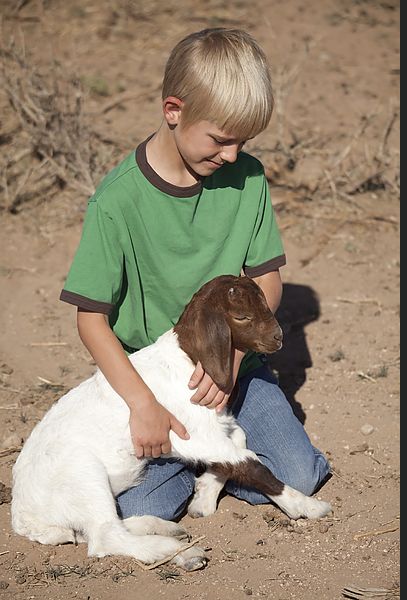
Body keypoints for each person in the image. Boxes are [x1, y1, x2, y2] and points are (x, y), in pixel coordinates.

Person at [60, 28, 330, 521]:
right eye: (221, 139)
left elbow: (267, 281)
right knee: (140, 506)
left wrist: (228, 358)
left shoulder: (247, 178)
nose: (231, 154)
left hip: (233, 376)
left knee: (300, 473)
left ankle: (215, 461)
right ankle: (214, 457)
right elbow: (91, 319)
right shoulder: (117, 201)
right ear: (173, 111)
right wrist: (142, 404)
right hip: (159, 383)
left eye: (242, 141)